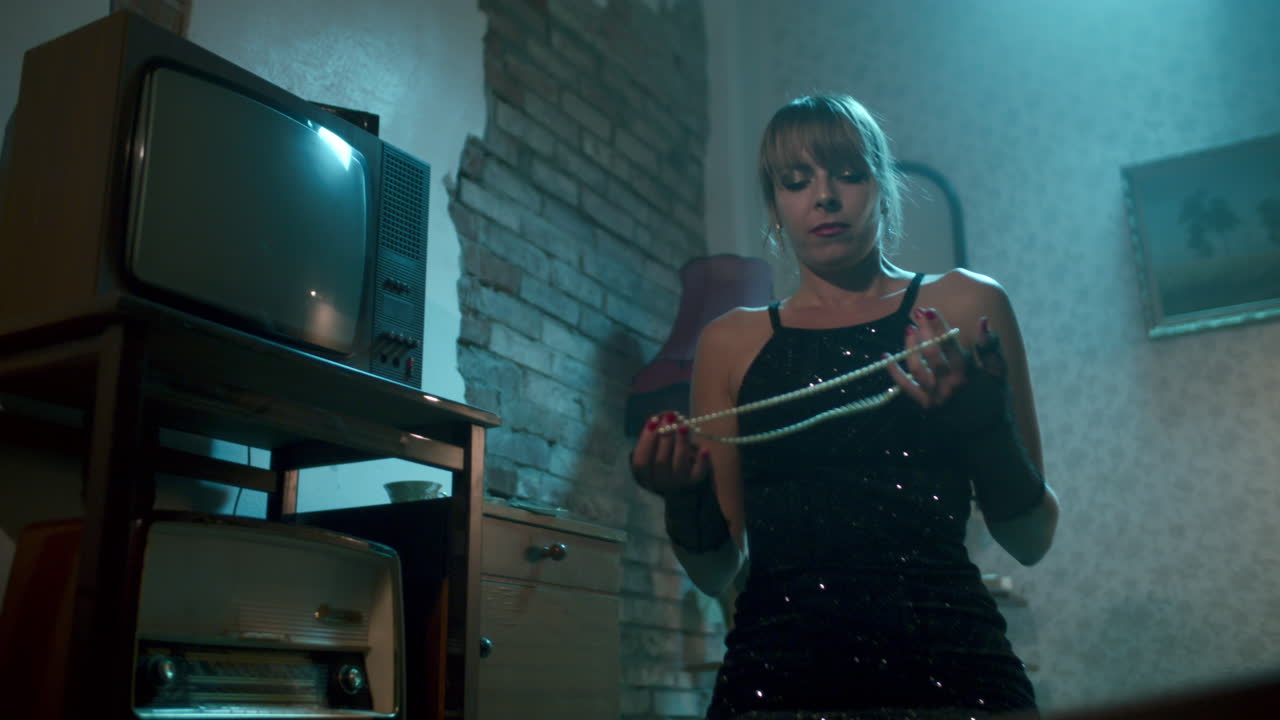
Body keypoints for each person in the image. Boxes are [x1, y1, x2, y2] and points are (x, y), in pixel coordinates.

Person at [631, 94, 1059, 720]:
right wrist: (683, 498)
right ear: (775, 206)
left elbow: (1031, 539)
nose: (823, 197)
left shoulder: (963, 307)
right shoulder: (730, 341)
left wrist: (984, 428)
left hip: (954, 664)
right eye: (796, 181)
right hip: (778, 675)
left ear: (883, 187)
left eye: (848, 174)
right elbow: (716, 572)